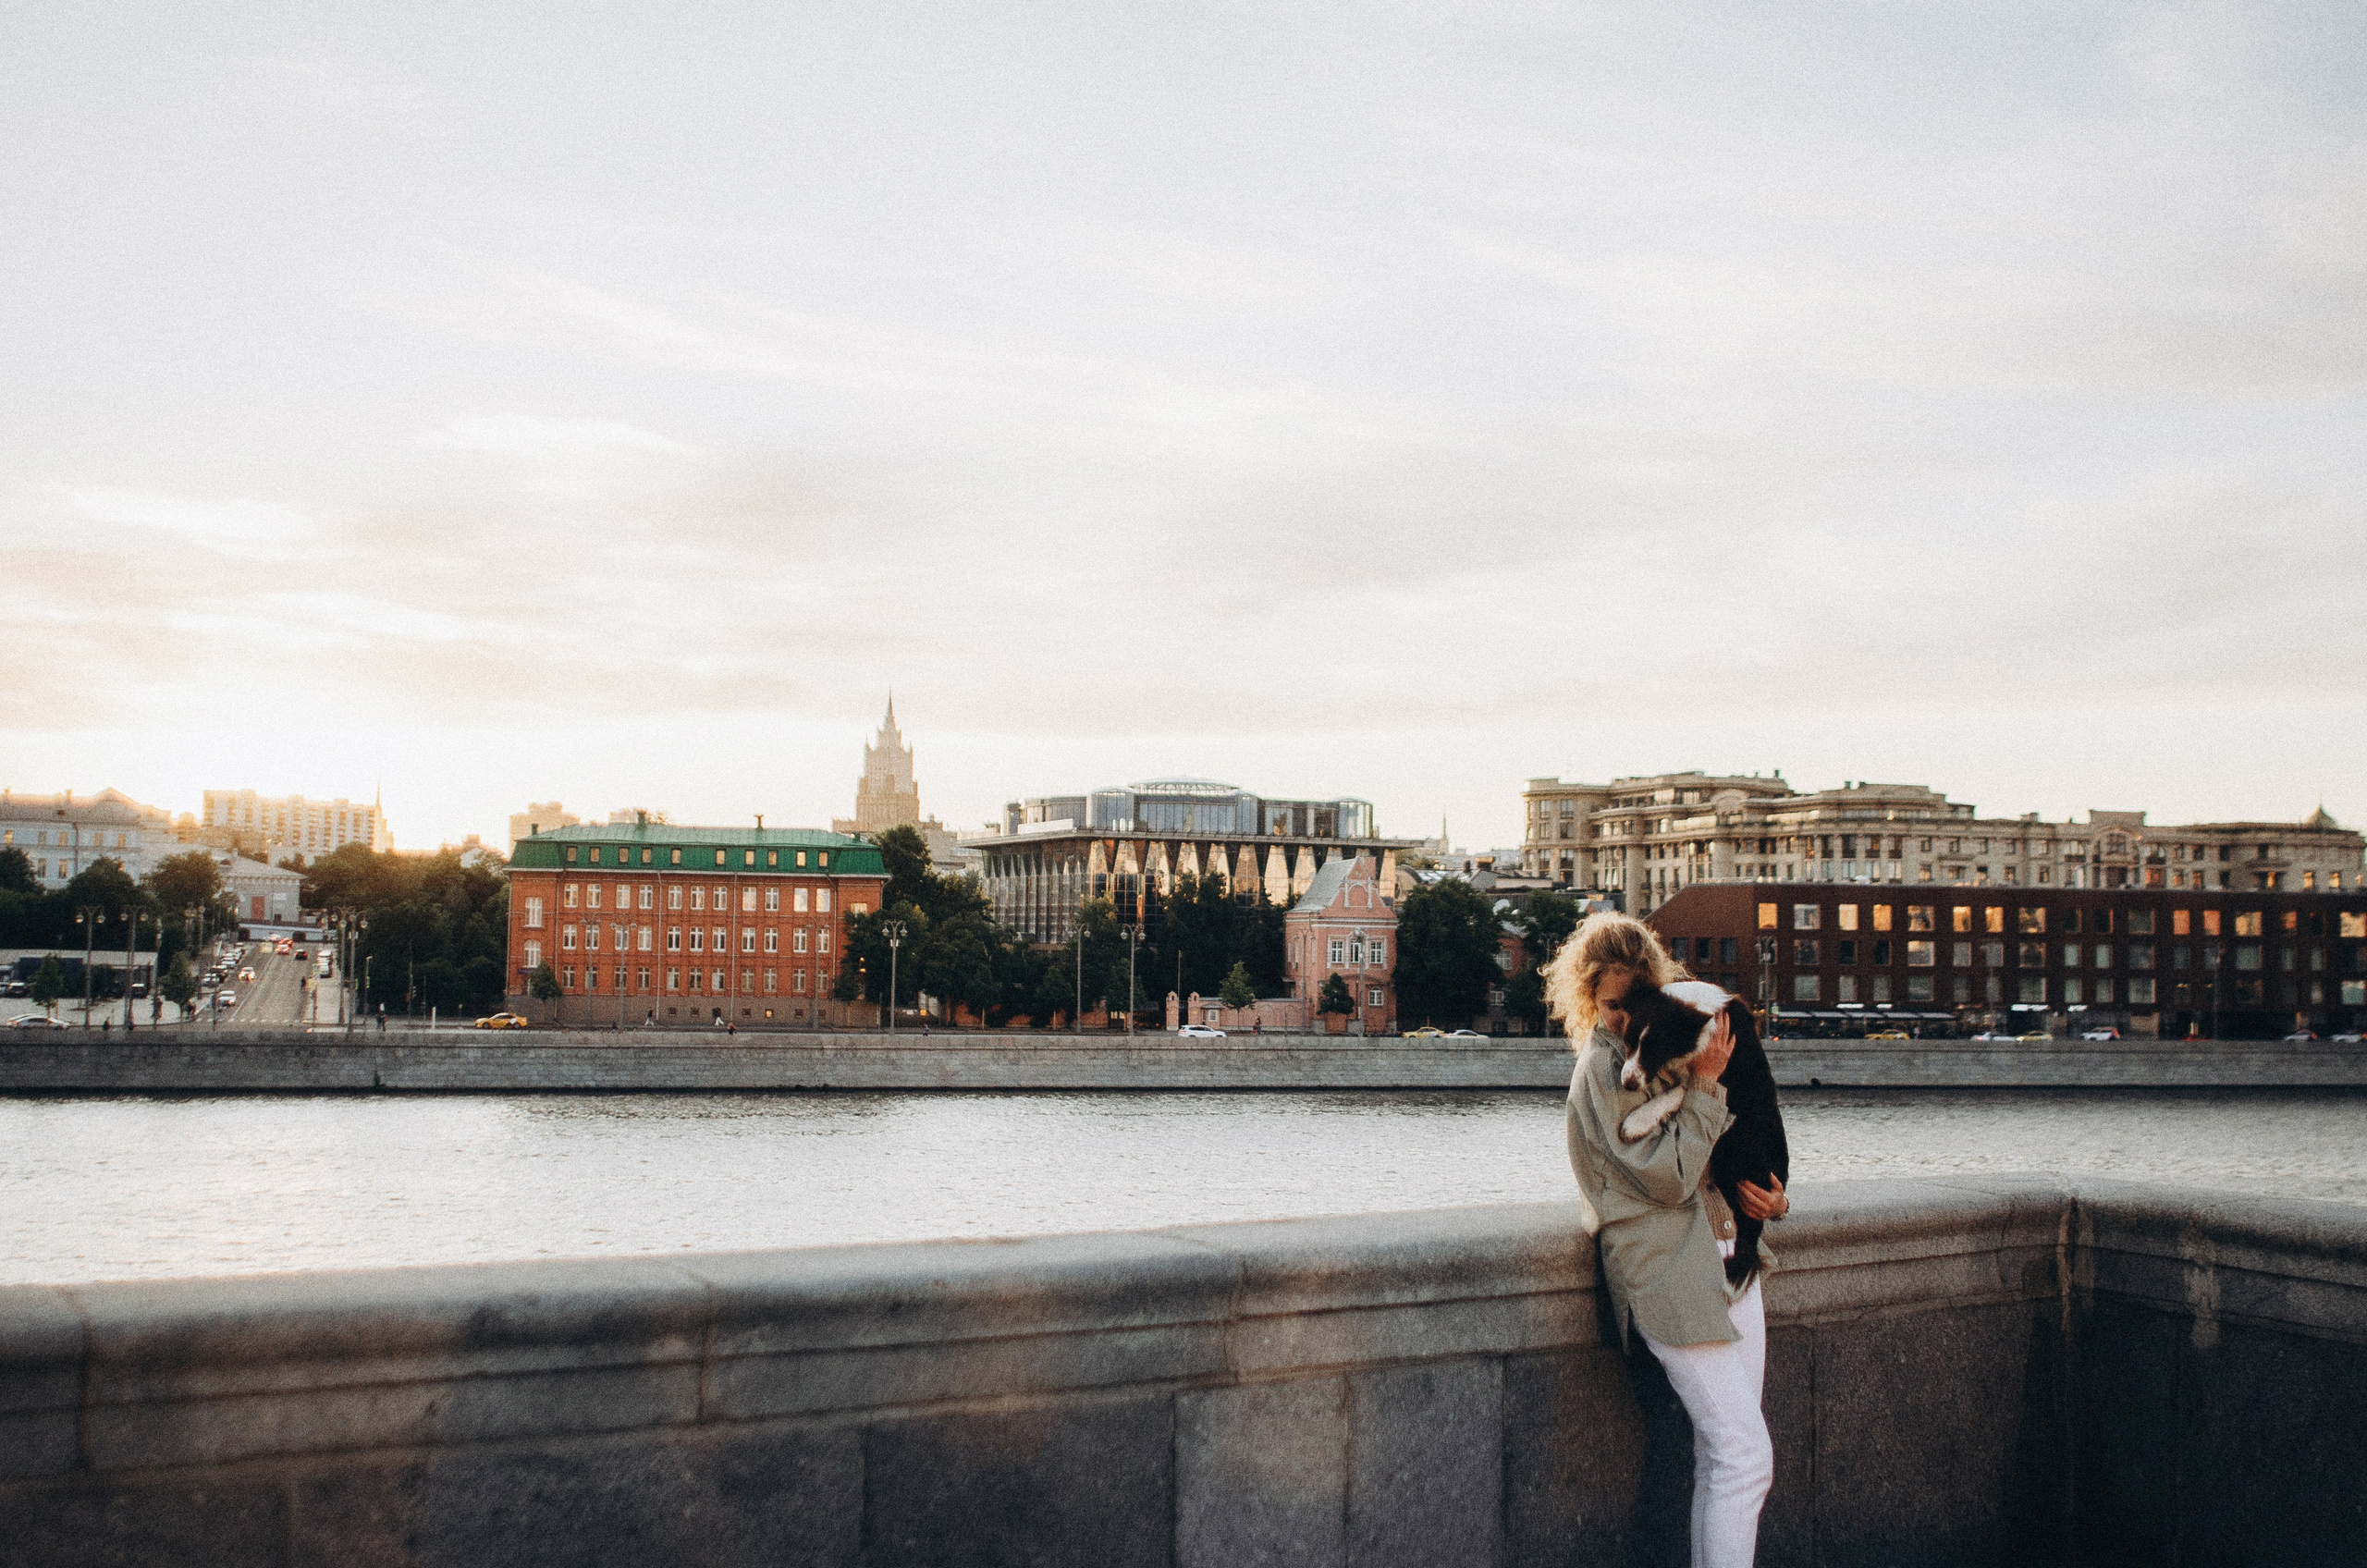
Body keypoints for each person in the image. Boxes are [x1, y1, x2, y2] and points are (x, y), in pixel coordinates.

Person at [1546, 912, 1788, 1568]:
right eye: (1610, 1005)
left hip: (1728, 1258)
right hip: (1667, 1272)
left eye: (1633, 1002)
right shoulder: (1604, 1071)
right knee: (1745, 1456)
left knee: (1726, 1454)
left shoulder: (1671, 1044)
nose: (1623, 1020)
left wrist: (1773, 1195)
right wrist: (1706, 1084)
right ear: (1588, 1001)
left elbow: (1736, 1141)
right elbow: (1671, 1178)